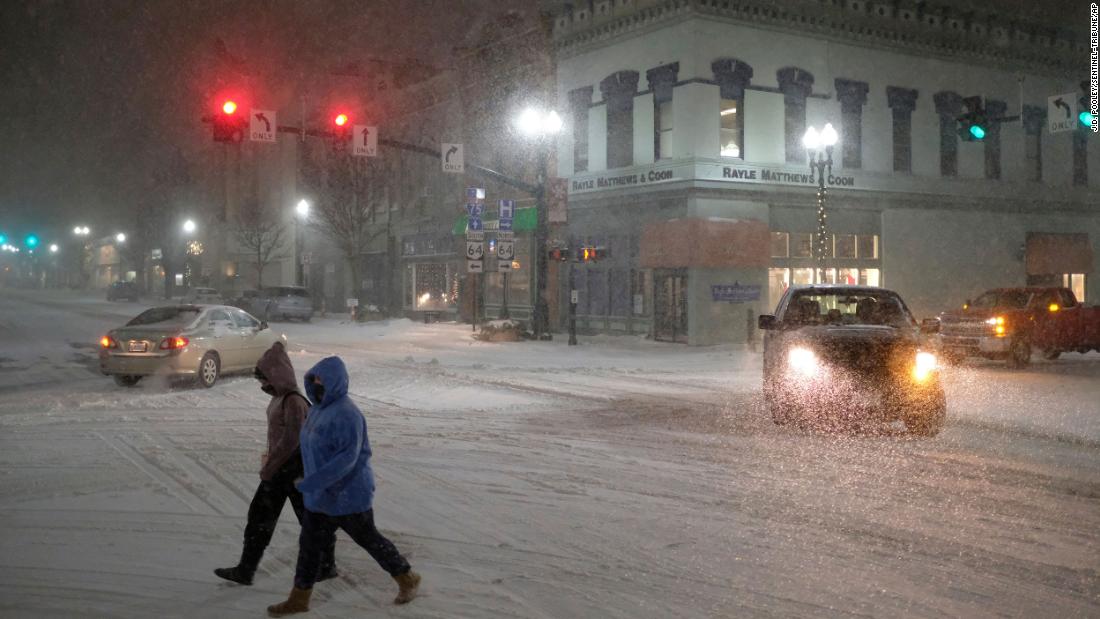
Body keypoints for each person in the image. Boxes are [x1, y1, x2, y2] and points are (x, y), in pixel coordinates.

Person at [267, 356, 420, 617]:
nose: (316, 385)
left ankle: (407, 577)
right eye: (313, 379)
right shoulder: (317, 410)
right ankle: (299, 599)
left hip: (348, 496)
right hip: (320, 496)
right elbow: (310, 447)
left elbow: (346, 460)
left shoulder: (348, 414)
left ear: (335, 382)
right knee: (309, 547)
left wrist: (311, 481)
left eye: (321, 381)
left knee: (370, 540)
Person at [215, 342, 337, 586]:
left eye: (265, 379)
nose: (263, 385)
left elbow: (292, 440)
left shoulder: (293, 401)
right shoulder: (281, 398)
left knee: (295, 517)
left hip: (292, 469)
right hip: (286, 468)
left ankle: (323, 565)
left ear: (277, 375)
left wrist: (271, 466)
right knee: (274, 517)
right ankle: (249, 569)